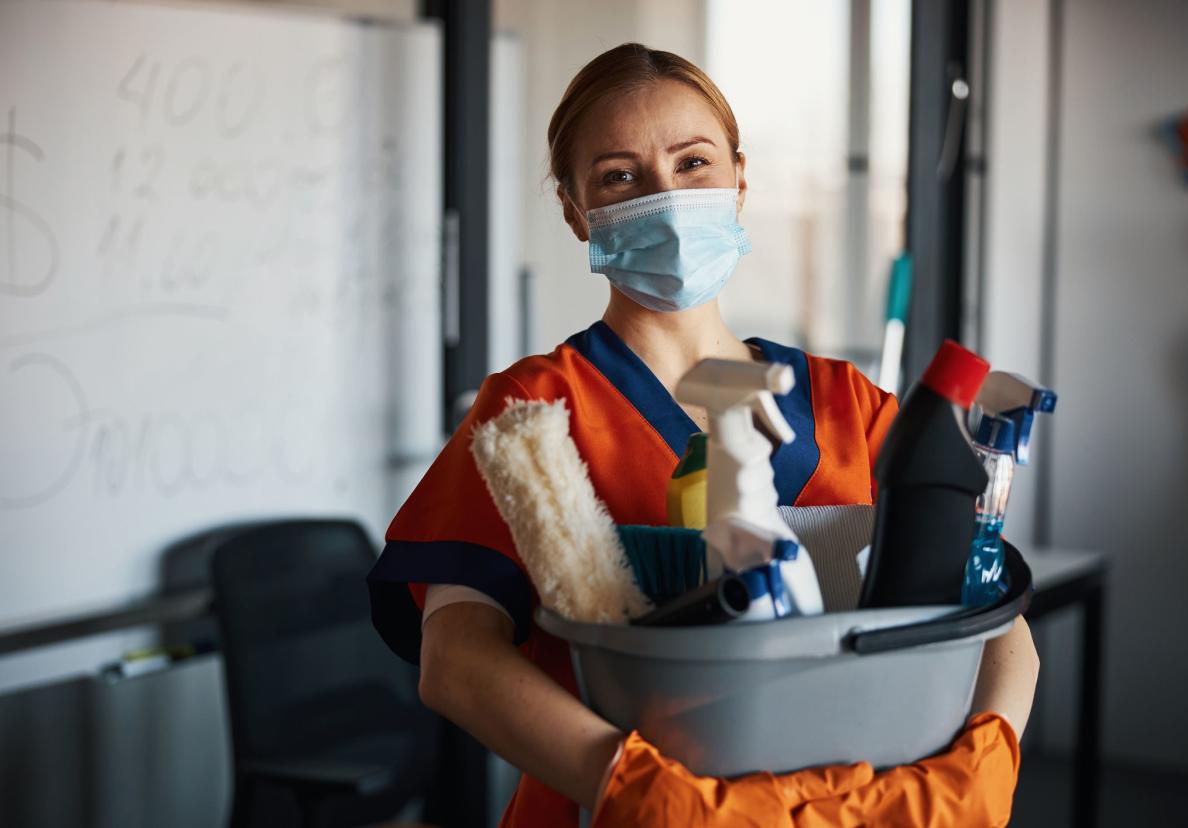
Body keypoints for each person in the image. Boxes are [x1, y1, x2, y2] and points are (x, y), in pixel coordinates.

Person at [368, 43, 1039, 827]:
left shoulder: (847, 402)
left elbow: (993, 619)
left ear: (739, 181)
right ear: (576, 211)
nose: (667, 198)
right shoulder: (532, 412)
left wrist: (983, 760)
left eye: (693, 164)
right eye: (621, 176)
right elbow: (455, 663)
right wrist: (643, 793)